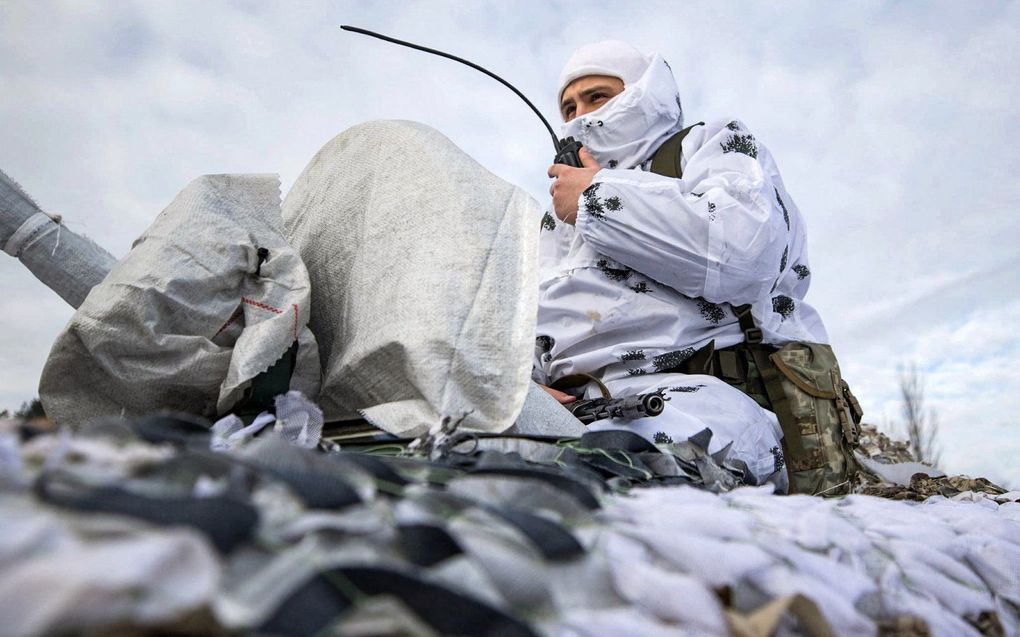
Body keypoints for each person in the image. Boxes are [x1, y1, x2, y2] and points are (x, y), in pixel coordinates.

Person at [534, 41, 834, 489]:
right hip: (573, 406)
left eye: (597, 96)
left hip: (710, 401)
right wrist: (527, 388)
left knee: (634, 465)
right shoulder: (556, 219)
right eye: (568, 106)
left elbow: (745, 255)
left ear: (644, 90)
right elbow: (535, 314)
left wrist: (598, 198)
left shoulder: (706, 146)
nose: (579, 115)